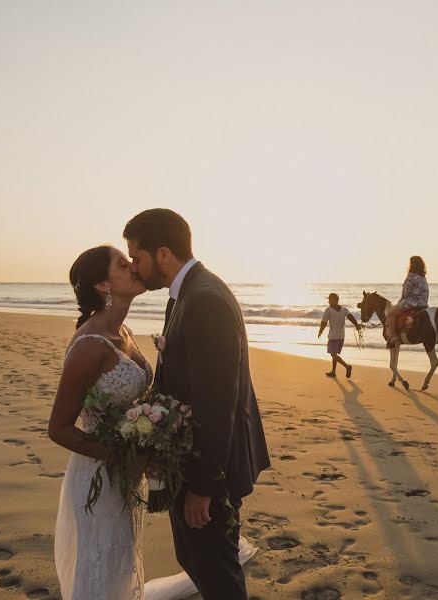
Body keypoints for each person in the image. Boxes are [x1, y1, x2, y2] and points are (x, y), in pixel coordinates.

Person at [124, 208, 270, 600]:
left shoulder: (205, 300)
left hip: (209, 471)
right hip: (193, 463)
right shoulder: (188, 294)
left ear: (164, 254)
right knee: (199, 563)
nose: (135, 268)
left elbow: (217, 402)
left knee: (218, 575)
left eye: (137, 258)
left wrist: (203, 487)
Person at [50, 245, 152, 599]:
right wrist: (119, 456)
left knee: (122, 558)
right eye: (123, 265)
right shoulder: (89, 346)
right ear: (103, 286)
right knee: (103, 562)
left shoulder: (125, 331)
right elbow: (58, 427)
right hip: (98, 472)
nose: (134, 266)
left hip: (126, 469)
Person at [385, 255, 430, 348]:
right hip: (424, 303)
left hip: (411, 302)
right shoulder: (422, 277)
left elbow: (405, 293)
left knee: (391, 314)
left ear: (412, 264)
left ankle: (393, 337)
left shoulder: (411, 276)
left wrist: (400, 302)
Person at [318, 293, 364, 378]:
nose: (328, 301)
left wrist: (320, 331)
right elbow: (351, 317)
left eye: (329, 299)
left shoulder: (328, 310)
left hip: (333, 336)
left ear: (333, 300)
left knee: (334, 354)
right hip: (342, 336)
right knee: (334, 354)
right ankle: (333, 371)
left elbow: (324, 322)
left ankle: (347, 366)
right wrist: (356, 325)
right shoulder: (344, 309)